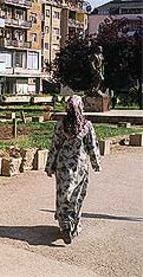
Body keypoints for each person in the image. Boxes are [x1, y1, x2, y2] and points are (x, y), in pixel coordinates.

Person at [45, 95, 101, 245]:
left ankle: (65, 224)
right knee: (77, 195)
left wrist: (49, 166)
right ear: (81, 107)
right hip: (79, 167)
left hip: (62, 167)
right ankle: (73, 224)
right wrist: (96, 164)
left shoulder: (60, 125)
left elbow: (54, 146)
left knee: (63, 194)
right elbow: (92, 146)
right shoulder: (86, 126)